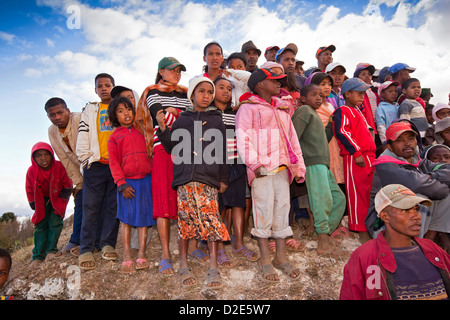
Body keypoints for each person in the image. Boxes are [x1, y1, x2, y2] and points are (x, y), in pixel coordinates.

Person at [157, 76, 230, 289]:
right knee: (185, 223)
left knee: (211, 222)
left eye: (210, 92)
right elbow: (172, 148)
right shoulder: (183, 120)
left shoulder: (217, 120)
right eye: (201, 91)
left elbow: (223, 151)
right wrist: (163, 128)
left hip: (208, 179)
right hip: (185, 180)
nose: (206, 96)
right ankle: (183, 265)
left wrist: (223, 178)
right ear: (192, 95)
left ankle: (213, 267)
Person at [235, 68, 306, 283]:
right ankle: (265, 259)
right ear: (259, 85)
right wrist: (255, 164)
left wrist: (298, 167)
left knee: (282, 210)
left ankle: (281, 257)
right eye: (273, 81)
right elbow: (242, 137)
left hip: (283, 169)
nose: (279, 85)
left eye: (280, 82)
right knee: (263, 211)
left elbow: (293, 141)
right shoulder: (248, 109)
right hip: (262, 171)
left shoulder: (283, 110)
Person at [340, 184, 450, 300]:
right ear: (385, 216)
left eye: (416, 209)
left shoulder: (432, 249)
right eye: (405, 210)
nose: (416, 216)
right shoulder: (365, 257)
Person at [134, 57, 191, 275]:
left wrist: (174, 113)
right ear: (161, 72)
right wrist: (175, 114)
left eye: (179, 70)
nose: (177, 74)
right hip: (162, 150)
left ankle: (188, 249)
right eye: (172, 70)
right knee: (163, 201)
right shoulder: (152, 91)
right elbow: (161, 117)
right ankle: (166, 252)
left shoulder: (186, 92)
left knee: (185, 197)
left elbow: (191, 118)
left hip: (186, 148)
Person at [365, 121, 450, 240]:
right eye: (399, 140)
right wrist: (437, 182)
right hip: (384, 225)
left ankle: (430, 239)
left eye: (411, 138)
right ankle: (416, 244)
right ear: (389, 146)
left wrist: (430, 177)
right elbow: (417, 184)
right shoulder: (385, 165)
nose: (407, 143)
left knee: (441, 195)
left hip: (410, 222)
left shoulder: (419, 161)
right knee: (418, 198)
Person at [292, 84, 346, 256]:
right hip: (312, 163)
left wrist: (330, 126)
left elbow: (323, 137)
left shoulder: (314, 114)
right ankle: (322, 239)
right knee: (321, 200)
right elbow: (293, 137)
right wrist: (296, 163)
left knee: (338, 199)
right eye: (314, 94)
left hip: (323, 164)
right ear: (303, 98)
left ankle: (323, 232)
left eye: (320, 96)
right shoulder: (304, 111)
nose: (318, 98)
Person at [210, 77, 258, 264]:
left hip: (237, 163)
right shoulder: (208, 113)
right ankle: (220, 245)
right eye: (221, 87)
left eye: (229, 89)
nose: (225, 91)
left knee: (238, 203)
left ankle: (238, 243)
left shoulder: (237, 113)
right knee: (219, 206)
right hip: (215, 165)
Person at [76, 73, 120, 270]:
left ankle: (107, 243)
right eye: (100, 86)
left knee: (112, 206)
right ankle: (86, 248)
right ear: (95, 90)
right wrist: (86, 160)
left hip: (116, 166)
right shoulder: (91, 110)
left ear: (113, 87)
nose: (104, 88)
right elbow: (83, 135)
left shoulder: (119, 108)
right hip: (96, 164)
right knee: (91, 207)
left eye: (108, 85)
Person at [107, 96, 155, 274]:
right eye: (120, 111)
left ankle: (142, 252)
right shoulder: (114, 137)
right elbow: (114, 163)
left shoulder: (142, 131)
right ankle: (127, 254)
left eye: (128, 109)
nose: (126, 113)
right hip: (126, 184)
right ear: (114, 116)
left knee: (143, 219)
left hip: (145, 180)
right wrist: (121, 183)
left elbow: (151, 152)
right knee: (126, 220)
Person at [332, 78, 376, 243]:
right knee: (357, 194)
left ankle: (369, 227)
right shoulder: (342, 110)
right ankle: (360, 229)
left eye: (364, 93)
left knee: (368, 192)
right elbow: (342, 132)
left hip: (368, 157)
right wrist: (356, 152)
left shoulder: (358, 111)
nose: (362, 97)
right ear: (347, 94)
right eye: (359, 93)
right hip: (355, 157)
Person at [45, 97, 83, 256]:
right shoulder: (52, 131)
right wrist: (79, 183)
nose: (57, 117)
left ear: (68, 111)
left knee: (95, 201)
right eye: (52, 115)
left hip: (96, 163)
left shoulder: (79, 119)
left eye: (60, 112)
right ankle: (75, 240)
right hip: (79, 167)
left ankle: (94, 239)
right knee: (80, 199)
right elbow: (64, 158)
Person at [26, 142, 73, 268]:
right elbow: (29, 188)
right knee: (41, 224)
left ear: (52, 155)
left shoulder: (59, 166)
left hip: (57, 198)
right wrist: (33, 203)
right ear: (34, 158)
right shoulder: (31, 171)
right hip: (40, 200)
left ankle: (51, 250)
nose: (43, 158)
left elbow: (68, 184)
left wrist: (63, 198)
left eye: (47, 154)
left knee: (55, 222)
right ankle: (37, 256)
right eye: (39, 155)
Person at [354, 63, 378, 133]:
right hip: (365, 126)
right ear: (357, 77)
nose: (367, 76)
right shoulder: (358, 91)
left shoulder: (374, 92)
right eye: (363, 74)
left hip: (375, 124)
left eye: (369, 74)